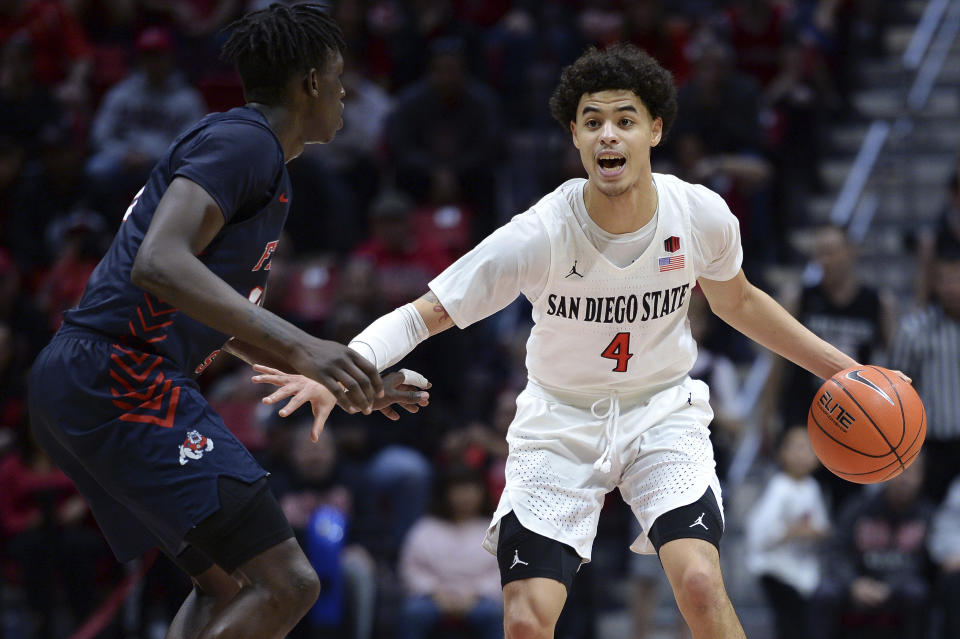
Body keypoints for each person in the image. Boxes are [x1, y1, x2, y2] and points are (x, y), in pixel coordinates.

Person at [254, 43, 880, 639]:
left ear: (654, 131)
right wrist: (331, 367)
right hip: (559, 422)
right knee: (527, 619)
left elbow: (739, 301)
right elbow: (423, 315)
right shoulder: (539, 234)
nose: (609, 134)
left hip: (662, 413)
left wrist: (845, 369)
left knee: (696, 578)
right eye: (593, 121)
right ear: (576, 137)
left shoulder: (701, 214)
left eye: (625, 120)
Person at [27, 5, 426, 639]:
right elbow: (158, 263)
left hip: (97, 374)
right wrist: (304, 345)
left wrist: (339, 373)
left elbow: (207, 307)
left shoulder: (259, 161)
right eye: (338, 75)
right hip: (120, 372)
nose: (346, 91)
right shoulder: (244, 143)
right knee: (289, 582)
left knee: (236, 586)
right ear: (311, 83)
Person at [809, 455, 933, 639]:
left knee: (916, 592)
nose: (904, 480)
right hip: (857, 582)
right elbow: (836, 552)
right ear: (884, 475)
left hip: (899, 586)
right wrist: (853, 583)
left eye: (912, 473)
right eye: (899, 472)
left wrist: (890, 586)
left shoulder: (927, 514)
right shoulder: (857, 507)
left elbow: (924, 563)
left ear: (922, 477)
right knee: (825, 593)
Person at [745, 425, 830, 639]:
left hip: (802, 567)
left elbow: (822, 527)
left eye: (808, 449)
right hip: (776, 568)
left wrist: (814, 532)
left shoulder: (813, 487)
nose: (802, 455)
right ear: (783, 453)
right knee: (788, 625)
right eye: (797, 448)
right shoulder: (779, 486)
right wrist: (791, 532)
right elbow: (760, 532)